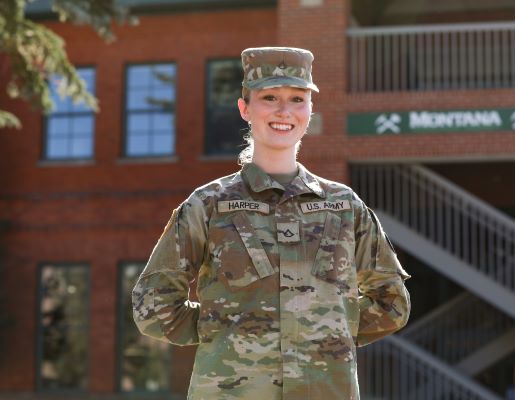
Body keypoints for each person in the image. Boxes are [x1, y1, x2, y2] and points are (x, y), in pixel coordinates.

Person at [132, 47, 411, 400]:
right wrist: (224, 327)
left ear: (310, 110)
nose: (284, 111)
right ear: (245, 108)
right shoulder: (208, 205)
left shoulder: (344, 206)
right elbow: (153, 306)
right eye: (270, 97)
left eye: (297, 98)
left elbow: (392, 304)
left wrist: (328, 327)